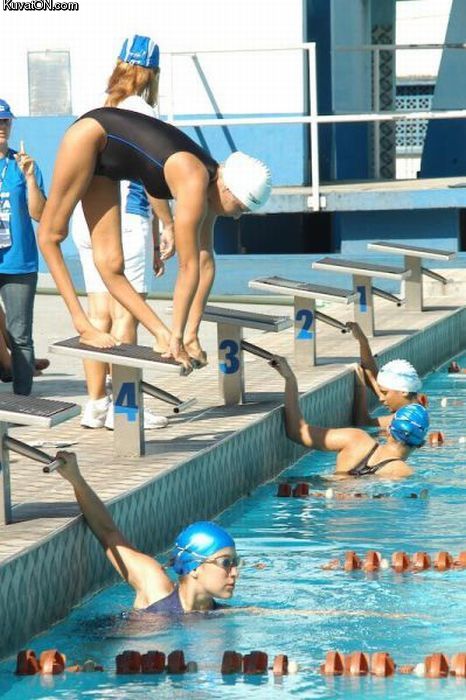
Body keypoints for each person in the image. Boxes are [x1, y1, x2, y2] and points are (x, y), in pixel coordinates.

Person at [38, 101, 272, 375]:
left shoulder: (211, 186)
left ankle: (160, 334)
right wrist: (177, 339)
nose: (237, 216)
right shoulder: (195, 179)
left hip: (110, 163)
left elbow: (205, 261)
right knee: (52, 235)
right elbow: (188, 267)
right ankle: (83, 325)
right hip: (90, 135)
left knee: (111, 264)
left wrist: (189, 335)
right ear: (229, 190)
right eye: (241, 208)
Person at [73, 35, 174, 429]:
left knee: (98, 315)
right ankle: (126, 410)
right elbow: (153, 177)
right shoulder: (142, 112)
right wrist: (165, 225)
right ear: (151, 73)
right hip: (127, 221)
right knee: (126, 313)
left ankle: (95, 404)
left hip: (86, 218)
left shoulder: (94, 105)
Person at [56, 451, 240, 612]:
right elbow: (108, 533)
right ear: (194, 567)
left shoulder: (223, 617)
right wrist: (76, 479)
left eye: (235, 562)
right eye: (226, 563)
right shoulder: (155, 586)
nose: (235, 572)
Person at [270, 355, 429, 478]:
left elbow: (297, 432)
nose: (381, 398)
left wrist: (290, 379)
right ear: (420, 444)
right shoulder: (402, 472)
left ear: (388, 430)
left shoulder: (354, 439)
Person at [0, 99, 47, 395]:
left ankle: (23, 399)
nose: (1, 127)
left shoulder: (23, 164)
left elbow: (40, 213)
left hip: (18, 263)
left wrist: (30, 178)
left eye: (5, 121)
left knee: (20, 335)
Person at [347, 321, 424, 428]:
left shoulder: (407, 420)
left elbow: (363, 424)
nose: (381, 398)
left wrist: (360, 387)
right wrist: (363, 341)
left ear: (404, 392)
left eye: (384, 393)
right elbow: (373, 378)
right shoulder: (413, 406)